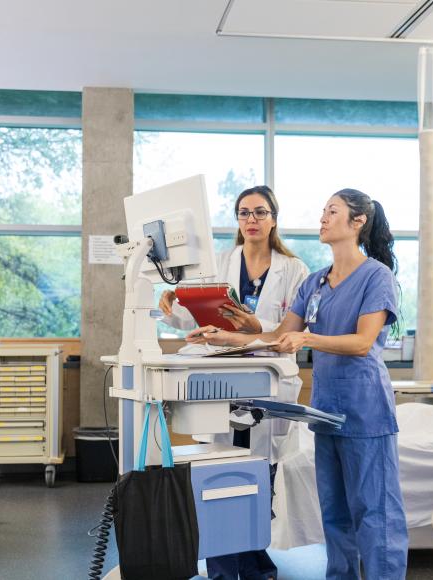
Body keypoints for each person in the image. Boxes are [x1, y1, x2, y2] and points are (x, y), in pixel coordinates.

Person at [187, 189, 409, 579]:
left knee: (376, 514)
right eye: (323, 211)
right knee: (336, 514)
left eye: (332, 212)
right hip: (324, 412)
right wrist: (223, 338)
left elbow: (361, 343)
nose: (322, 218)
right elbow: (277, 336)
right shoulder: (316, 283)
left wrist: (307, 338)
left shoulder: (377, 276)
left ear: (357, 222)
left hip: (365, 410)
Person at [160, 185, 309, 580]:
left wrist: (258, 327)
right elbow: (194, 315)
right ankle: (226, 569)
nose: (252, 220)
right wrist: (171, 305)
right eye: (244, 213)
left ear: (274, 218)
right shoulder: (222, 262)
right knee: (219, 473)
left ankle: (255, 562)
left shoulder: (294, 270)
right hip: (222, 376)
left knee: (260, 475)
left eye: (260, 212)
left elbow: (296, 331)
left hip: (269, 378)